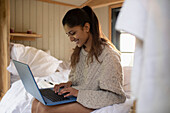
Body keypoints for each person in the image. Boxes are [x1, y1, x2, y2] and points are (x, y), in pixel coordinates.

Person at [32, 6, 126, 113]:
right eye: (68, 35)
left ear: (86, 27)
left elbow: (116, 97)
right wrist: (69, 84)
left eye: (73, 33)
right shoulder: (80, 52)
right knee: (36, 102)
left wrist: (78, 93)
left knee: (44, 109)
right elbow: (80, 81)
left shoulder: (109, 55)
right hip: (79, 96)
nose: (71, 39)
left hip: (92, 100)